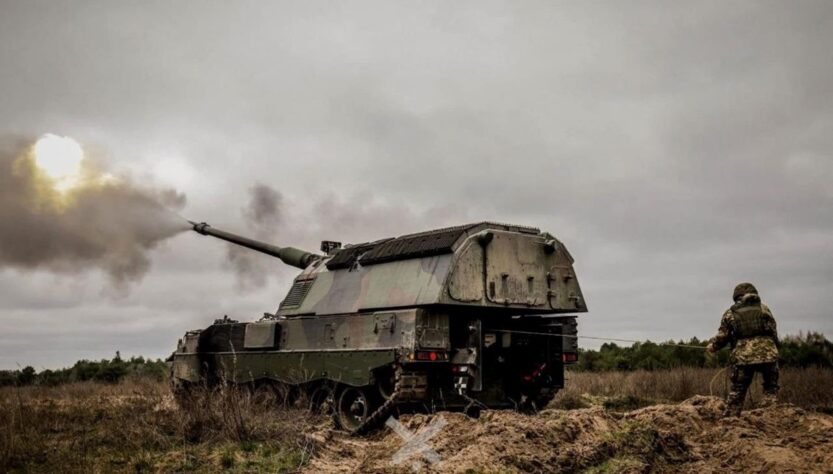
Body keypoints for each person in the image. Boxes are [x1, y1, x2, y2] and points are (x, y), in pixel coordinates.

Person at [707, 282, 779, 417]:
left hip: (743, 357)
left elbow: (723, 336)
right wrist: (774, 350)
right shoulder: (765, 309)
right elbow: (774, 332)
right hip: (769, 354)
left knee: (738, 390)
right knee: (771, 388)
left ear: (736, 297)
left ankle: (731, 419)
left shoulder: (730, 312)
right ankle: (771, 418)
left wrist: (713, 346)